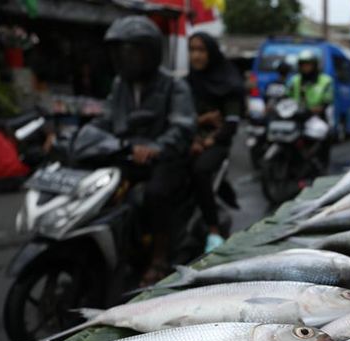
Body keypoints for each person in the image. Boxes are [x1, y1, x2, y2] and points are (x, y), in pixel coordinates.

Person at [92, 16, 196, 285]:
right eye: (120, 52)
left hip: (165, 158)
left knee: (156, 193)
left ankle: (159, 257)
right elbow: (106, 118)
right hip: (127, 154)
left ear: (150, 52)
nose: (125, 58)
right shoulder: (119, 85)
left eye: (132, 51)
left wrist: (156, 147)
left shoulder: (174, 85)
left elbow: (182, 127)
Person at [186, 31, 244, 252]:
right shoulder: (187, 82)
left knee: (200, 170)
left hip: (216, 143)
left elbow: (230, 124)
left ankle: (213, 230)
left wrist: (210, 140)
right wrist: (200, 122)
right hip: (187, 139)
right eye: (192, 50)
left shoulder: (228, 84)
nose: (196, 56)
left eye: (201, 50)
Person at [287, 49, 333, 172]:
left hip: (315, 116)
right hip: (295, 115)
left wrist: (316, 109)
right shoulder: (294, 80)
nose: (306, 68)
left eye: (308, 64)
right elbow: (287, 96)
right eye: (303, 65)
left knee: (323, 134)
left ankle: (320, 165)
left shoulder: (325, 80)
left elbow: (327, 100)